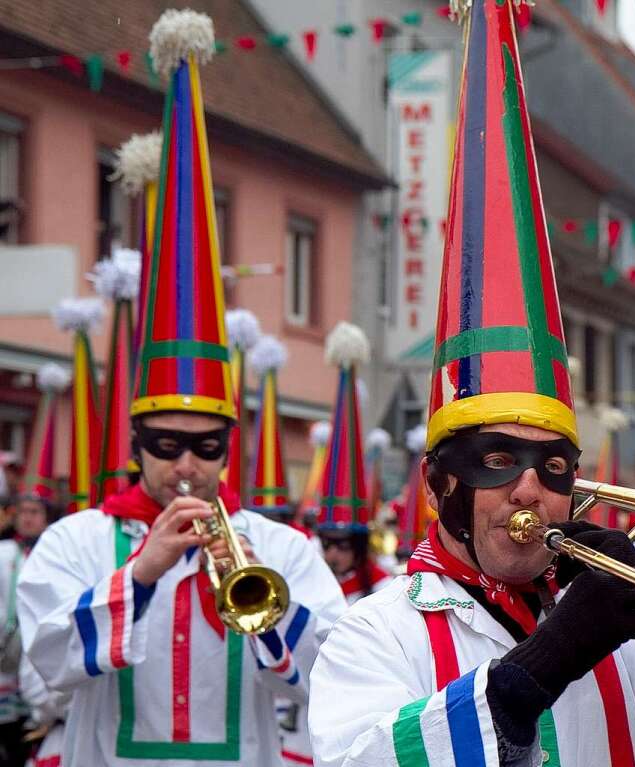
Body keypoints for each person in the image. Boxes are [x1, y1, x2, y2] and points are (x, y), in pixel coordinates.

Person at [308, 3, 635, 765]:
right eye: (498, 460)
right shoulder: (378, 629)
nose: (529, 492)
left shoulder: (627, 635)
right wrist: (543, 661)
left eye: (553, 467)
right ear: (438, 480)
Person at [15, 11, 342, 765]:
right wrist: (143, 571)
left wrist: (266, 602)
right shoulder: (78, 541)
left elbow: (325, 673)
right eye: (165, 446)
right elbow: (48, 659)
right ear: (136, 444)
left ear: (228, 449)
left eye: (204, 447)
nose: (185, 466)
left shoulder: (282, 550)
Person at [0, 494, 49, 765]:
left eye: (35, 511)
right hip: (7, 655)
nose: (28, 518)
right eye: (23, 512)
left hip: (37, 653)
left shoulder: (53, 552)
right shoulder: (4, 551)